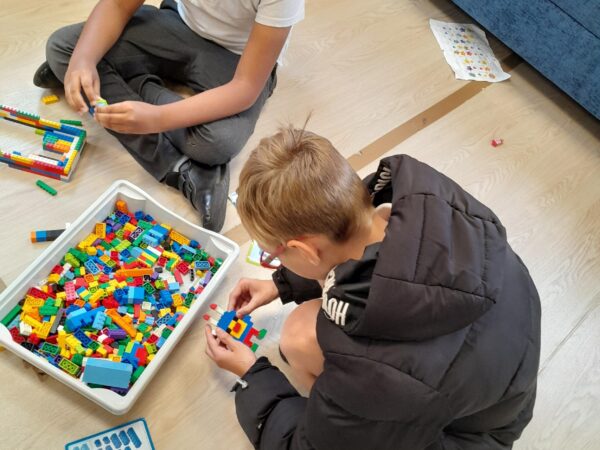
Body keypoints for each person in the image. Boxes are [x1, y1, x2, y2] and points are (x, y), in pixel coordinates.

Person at [204, 125, 542, 449]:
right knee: (301, 332)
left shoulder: (373, 373)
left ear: (304, 250)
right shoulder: (422, 202)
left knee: (299, 337)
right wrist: (282, 283)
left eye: (272, 254)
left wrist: (252, 374)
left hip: (461, 437)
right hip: (496, 393)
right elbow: (355, 247)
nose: (273, 261)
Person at [33, 0, 304, 231]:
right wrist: (83, 59)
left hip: (237, 58)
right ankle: (184, 168)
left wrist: (158, 117)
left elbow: (244, 87)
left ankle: (131, 84)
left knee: (218, 142)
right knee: (65, 47)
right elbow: (117, 4)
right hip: (176, 24)